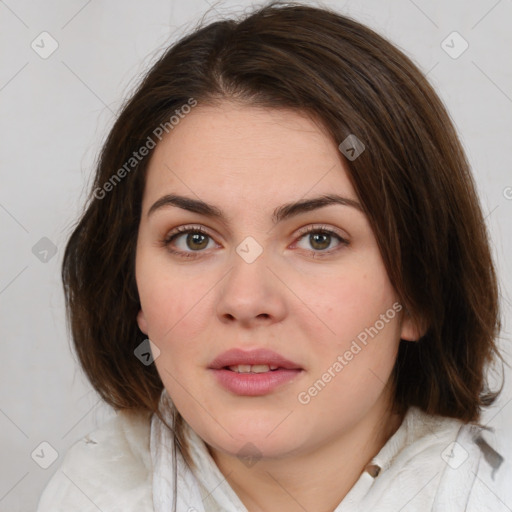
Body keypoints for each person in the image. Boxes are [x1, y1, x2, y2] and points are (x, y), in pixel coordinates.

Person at [37, 1, 510, 511]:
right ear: (135, 289)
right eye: (194, 239)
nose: (245, 299)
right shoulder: (82, 493)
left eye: (319, 239)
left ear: (419, 292)